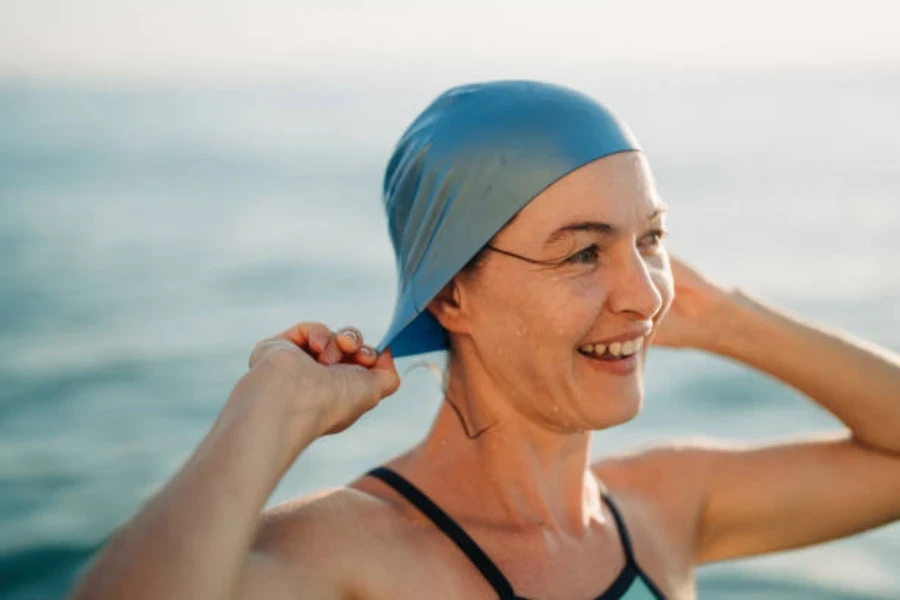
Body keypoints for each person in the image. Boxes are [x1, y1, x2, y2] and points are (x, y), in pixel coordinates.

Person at [69, 81, 900, 600]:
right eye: (582, 251)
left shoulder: (662, 509)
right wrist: (267, 413)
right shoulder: (349, 557)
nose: (644, 294)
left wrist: (726, 318)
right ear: (451, 294)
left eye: (650, 239)